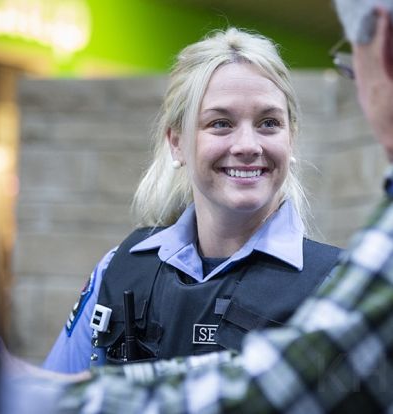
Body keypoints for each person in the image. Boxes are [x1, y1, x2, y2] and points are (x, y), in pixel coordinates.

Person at [44, 0, 393, 412]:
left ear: (291, 139)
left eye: (268, 123)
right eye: (220, 123)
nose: (247, 146)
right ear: (177, 142)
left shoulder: (342, 288)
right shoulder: (119, 268)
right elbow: (49, 396)